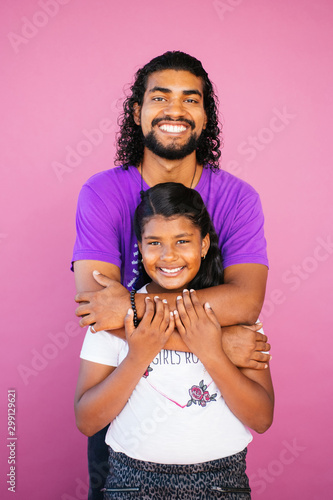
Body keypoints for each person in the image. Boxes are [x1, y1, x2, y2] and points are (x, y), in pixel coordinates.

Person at [72, 51, 271, 499]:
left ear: (205, 115)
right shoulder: (102, 192)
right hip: (123, 413)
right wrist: (217, 339)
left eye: (191, 99)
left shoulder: (238, 198)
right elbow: (97, 308)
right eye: (160, 97)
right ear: (136, 111)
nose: (175, 109)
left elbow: (245, 303)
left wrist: (130, 308)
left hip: (213, 449)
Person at [74, 183, 274, 499]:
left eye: (183, 241)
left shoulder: (231, 316)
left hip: (221, 482)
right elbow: (87, 421)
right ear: (139, 247)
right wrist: (138, 356)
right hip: (132, 481)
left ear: (204, 244)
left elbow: (261, 418)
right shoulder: (113, 318)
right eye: (155, 242)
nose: (169, 256)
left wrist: (213, 351)